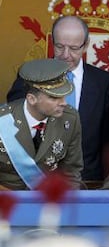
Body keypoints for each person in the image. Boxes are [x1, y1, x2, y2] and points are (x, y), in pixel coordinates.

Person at [7, 15, 109, 187]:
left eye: (74, 48)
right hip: (34, 181)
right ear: (52, 41)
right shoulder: (28, 77)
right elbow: (13, 129)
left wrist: (106, 181)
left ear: (86, 44)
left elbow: (107, 137)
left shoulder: (104, 81)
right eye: (59, 46)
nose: (65, 55)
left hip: (86, 180)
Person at [0, 59, 83, 190]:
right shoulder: (3, 121)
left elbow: (71, 172)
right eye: (54, 98)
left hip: (49, 202)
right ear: (32, 99)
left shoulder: (70, 118)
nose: (64, 103)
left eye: (64, 96)